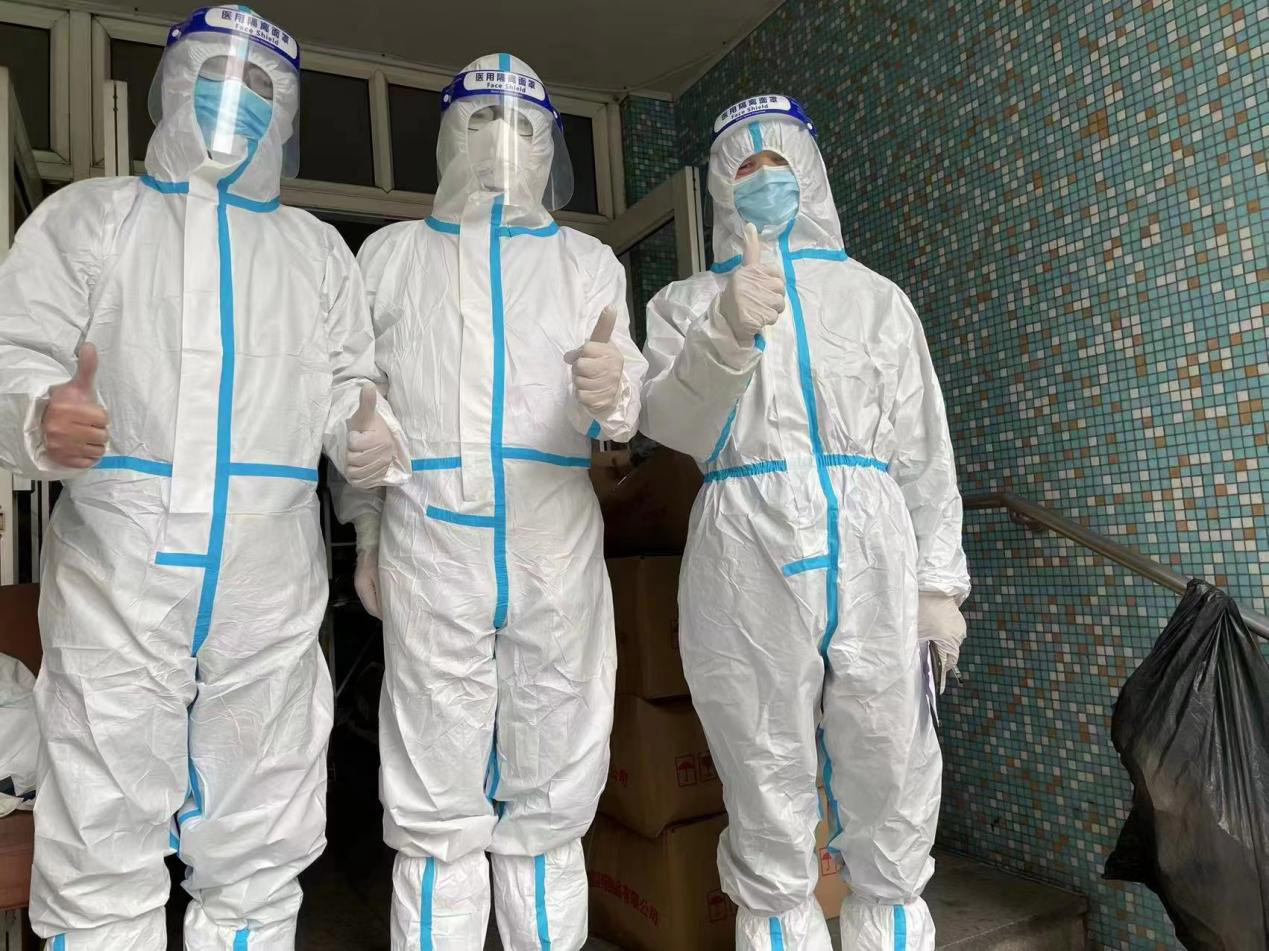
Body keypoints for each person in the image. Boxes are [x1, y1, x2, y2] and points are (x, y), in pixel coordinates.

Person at [0, 7, 409, 949]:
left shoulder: (314, 251)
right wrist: (37, 412)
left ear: (289, 113)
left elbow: (352, 388)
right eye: (218, 75)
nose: (240, 98)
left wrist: (366, 446)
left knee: (261, 832)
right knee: (102, 830)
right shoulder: (92, 218)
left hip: (269, 570)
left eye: (264, 84)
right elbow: (16, 349)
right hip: (119, 562)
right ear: (172, 85)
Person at [640, 95, 969, 951]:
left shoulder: (874, 300)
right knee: (761, 768)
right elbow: (674, 425)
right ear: (719, 188)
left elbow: (922, 446)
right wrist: (725, 332)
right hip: (741, 543)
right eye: (743, 168)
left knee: (891, 766)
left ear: (810, 175)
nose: (762, 181)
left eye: (777, 164)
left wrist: (938, 584)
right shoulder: (683, 302)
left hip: (872, 545)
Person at [333, 53, 646, 951]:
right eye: (479, 121)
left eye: (521, 126)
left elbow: (625, 393)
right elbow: (357, 400)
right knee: (435, 799)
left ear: (549, 146)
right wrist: (367, 534)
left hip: (553, 551)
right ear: (446, 139)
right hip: (431, 545)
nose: (500, 142)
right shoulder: (391, 257)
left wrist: (613, 390)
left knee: (551, 791)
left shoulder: (584, 263)